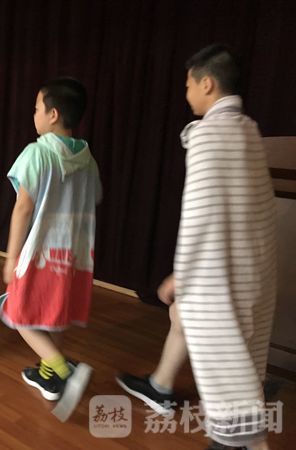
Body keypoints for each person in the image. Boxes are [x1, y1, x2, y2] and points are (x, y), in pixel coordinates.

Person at [116, 44, 276, 450]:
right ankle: (161, 385)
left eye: (188, 85)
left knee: (227, 369)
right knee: (187, 319)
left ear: (207, 84)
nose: (186, 93)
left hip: (220, 272)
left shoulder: (208, 135)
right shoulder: (248, 130)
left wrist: (181, 275)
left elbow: (200, 217)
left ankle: (237, 440)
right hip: (253, 268)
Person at [0, 77, 102, 421]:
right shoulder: (88, 160)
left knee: (17, 313)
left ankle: (64, 370)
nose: (34, 114)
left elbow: (23, 208)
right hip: (73, 256)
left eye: (37, 108)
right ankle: (49, 376)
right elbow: (94, 198)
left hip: (39, 254)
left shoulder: (37, 153)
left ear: (53, 114)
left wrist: (12, 257)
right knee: (52, 313)